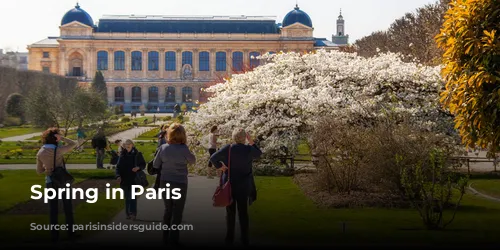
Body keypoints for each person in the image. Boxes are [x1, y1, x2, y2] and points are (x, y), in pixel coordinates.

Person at [210, 128, 262, 246]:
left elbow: (213, 158)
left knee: (230, 212)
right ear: (244, 138)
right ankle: (244, 238)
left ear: (233, 137)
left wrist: (220, 167)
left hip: (230, 184)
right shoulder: (249, 149)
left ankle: (229, 238)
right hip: (243, 184)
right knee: (243, 212)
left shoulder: (228, 148)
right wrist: (252, 142)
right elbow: (259, 154)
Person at [153, 123, 196, 246]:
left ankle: (165, 238)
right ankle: (174, 239)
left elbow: (156, 165)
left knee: (168, 210)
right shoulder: (184, 149)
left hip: (165, 180)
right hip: (180, 182)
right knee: (177, 211)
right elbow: (192, 161)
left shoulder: (163, 148)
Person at [36, 127, 79, 243]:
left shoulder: (40, 152)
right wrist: (62, 137)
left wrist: (46, 169)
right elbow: (73, 143)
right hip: (63, 181)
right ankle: (71, 233)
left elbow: (39, 171)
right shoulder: (58, 150)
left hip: (50, 182)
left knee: (53, 210)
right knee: (67, 207)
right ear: (56, 138)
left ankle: (54, 236)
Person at [115, 139, 146, 220]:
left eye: (129, 144)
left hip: (134, 179)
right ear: (124, 146)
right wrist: (118, 176)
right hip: (124, 179)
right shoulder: (122, 155)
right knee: (127, 197)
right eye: (126, 144)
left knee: (132, 197)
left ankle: (133, 213)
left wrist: (138, 167)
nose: (128, 145)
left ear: (132, 145)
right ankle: (128, 213)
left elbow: (143, 164)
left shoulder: (137, 154)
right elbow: (118, 167)